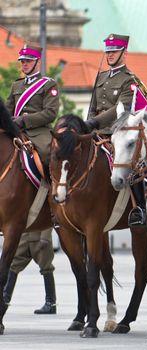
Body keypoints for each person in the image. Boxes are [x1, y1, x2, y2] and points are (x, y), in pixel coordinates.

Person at [3, 44, 59, 314]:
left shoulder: (49, 85)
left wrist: (23, 121)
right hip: (17, 132)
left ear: (37, 62)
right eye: (21, 61)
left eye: (28, 61)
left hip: (38, 134)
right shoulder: (16, 86)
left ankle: (55, 194)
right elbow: (8, 109)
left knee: (46, 157)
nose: (23, 64)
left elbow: (50, 114)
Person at [86, 33, 147, 227]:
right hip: (96, 131)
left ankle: (139, 209)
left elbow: (120, 108)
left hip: (117, 132)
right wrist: (88, 125)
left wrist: (95, 122)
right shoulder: (101, 76)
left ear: (124, 53)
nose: (110, 55)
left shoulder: (129, 80)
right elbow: (93, 106)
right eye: (108, 51)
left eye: (114, 51)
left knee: (133, 163)